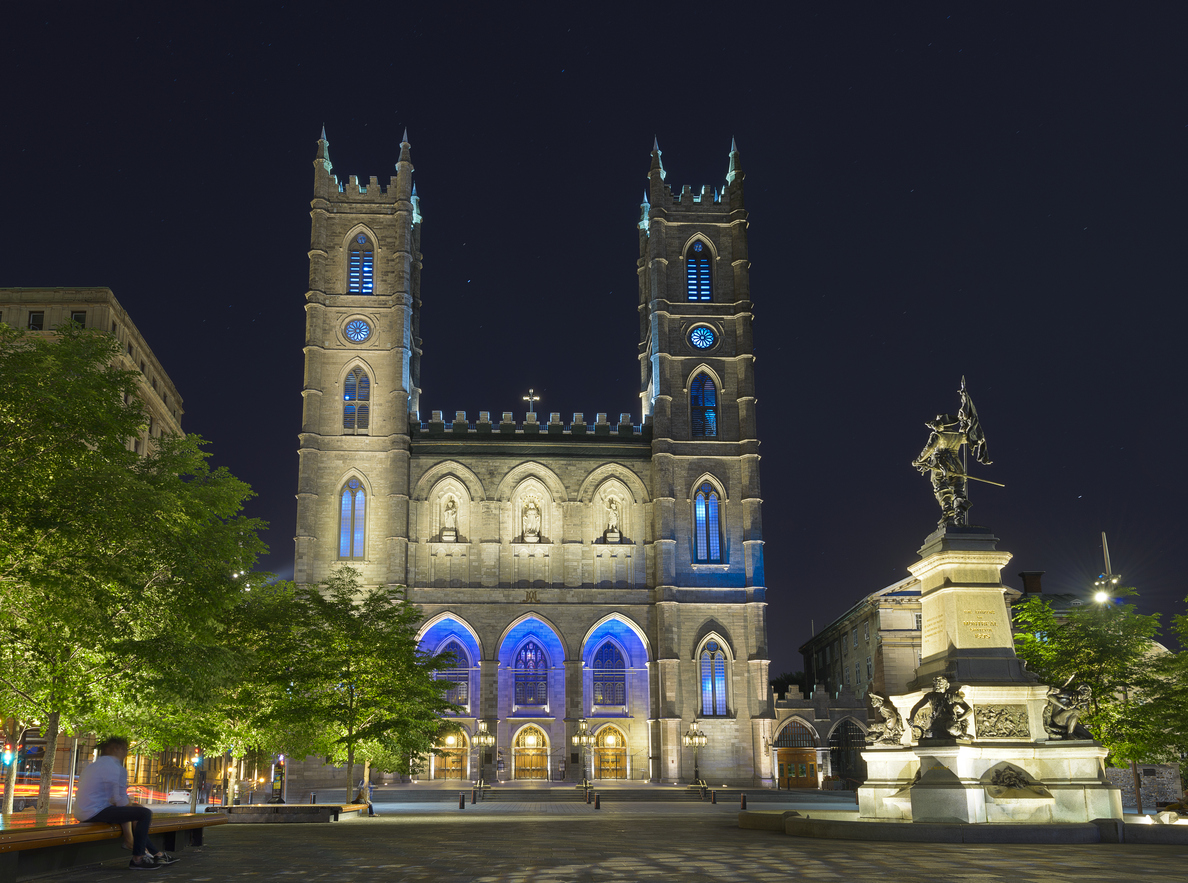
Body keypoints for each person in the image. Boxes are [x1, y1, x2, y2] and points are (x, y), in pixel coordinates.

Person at [73, 736, 179, 869]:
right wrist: (134, 807)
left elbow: (111, 798)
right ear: (116, 749)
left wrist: (131, 808)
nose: (126, 753)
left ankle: (156, 853)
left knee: (135, 812)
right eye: (125, 749)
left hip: (83, 811)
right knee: (144, 813)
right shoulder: (116, 768)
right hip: (95, 811)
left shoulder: (92, 766)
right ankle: (138, 859)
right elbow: (120, 800)